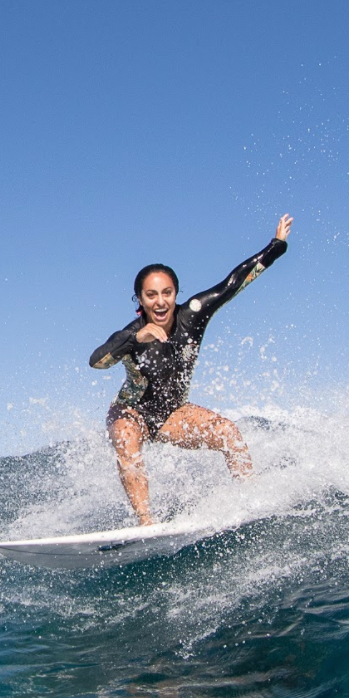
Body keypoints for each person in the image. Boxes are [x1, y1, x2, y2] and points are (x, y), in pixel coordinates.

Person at [90, 214, 294, 525]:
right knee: (125, 434)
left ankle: (253, 501)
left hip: (174, 413)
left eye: (167, 293)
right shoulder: (130, 335)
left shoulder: (193, 316)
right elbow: (97, 361)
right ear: (140, 299)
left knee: (228, 432)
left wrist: (276, 246)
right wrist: (134, 338)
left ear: (176, 293)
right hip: (132, 412)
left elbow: (233, 283)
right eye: (151, 295)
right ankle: (146, 522)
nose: (160, 302)